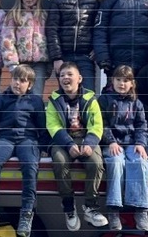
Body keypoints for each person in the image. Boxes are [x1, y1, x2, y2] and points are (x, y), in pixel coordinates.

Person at [0, 65, 50, 237]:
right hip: (5, 138)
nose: (17, 83)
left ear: (30, 85)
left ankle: (26, 213)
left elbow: (43, 127)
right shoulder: (0, 99)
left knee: (31, 165)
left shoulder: (36, 101)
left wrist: (45, 147)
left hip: (27, 139)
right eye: (15, 79)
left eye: (22, 81)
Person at [46, 62, 108, 231]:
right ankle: (68, 206)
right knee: (59, 161)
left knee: (95, 163)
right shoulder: (54, 100)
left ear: (79, 79)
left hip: (86, 138)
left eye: (69, 74)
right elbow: (53, 126)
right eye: (62, 75)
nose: (65, 78)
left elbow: (97, 125)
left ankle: (91, 207)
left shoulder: (91, 98)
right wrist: (68, 144)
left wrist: (89, 144)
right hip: (63, 140)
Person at [98, 65, 148, 232]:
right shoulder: (104, 100)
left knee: (139, 162)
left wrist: (140, 144)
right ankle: (114, 210)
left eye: (126, 80)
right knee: (116, 162)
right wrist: (110, 141)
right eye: (118, 80)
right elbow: (102, 124)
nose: (122, 83)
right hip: (112, 143)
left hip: (131, 142)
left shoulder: (137, 103)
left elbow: (142, 126)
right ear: (112, 81)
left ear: (132, 83)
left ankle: (140, 209)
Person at [45, 0, 101, 91]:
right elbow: (52, 31)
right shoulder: (57, 2)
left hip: (86, 57)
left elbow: (98, 29)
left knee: (87, 94)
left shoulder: (93, 2)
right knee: (67, 95)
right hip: (64, 57)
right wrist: (57, 58)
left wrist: (96, 49)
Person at [1, 0, 51, 97]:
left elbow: (49, 39)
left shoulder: (44, 15)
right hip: (20, 63)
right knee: (19, 94)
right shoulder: (14, 15)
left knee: (36, 96)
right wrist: (12, 64)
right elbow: (7, 40)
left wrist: (50, 65)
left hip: (40, 64)